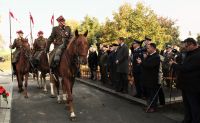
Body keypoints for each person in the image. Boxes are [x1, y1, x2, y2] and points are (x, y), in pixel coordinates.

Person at [170, 38, 200, 123]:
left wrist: (174, 65)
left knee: (194, 105)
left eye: (186, 46)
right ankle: (188, 119)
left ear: (193, 45)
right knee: (187, 105)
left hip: (193, 85)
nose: (185, 48)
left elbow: (187, 68)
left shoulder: (197, 55)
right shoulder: (189, 53)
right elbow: (185, 65)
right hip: (186, 84)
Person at [137, 43, 160, 113]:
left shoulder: (156, 57)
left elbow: (149, 65)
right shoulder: (149, 55)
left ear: (153, 48)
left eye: (148, 48)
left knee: (153, 94)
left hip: (152, 79)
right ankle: (149, 105)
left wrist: (141, 62)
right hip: (146, 78)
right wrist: (142, 60)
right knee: (148, 93)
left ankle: (153, 107)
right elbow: (145, 65)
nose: (147, 49)